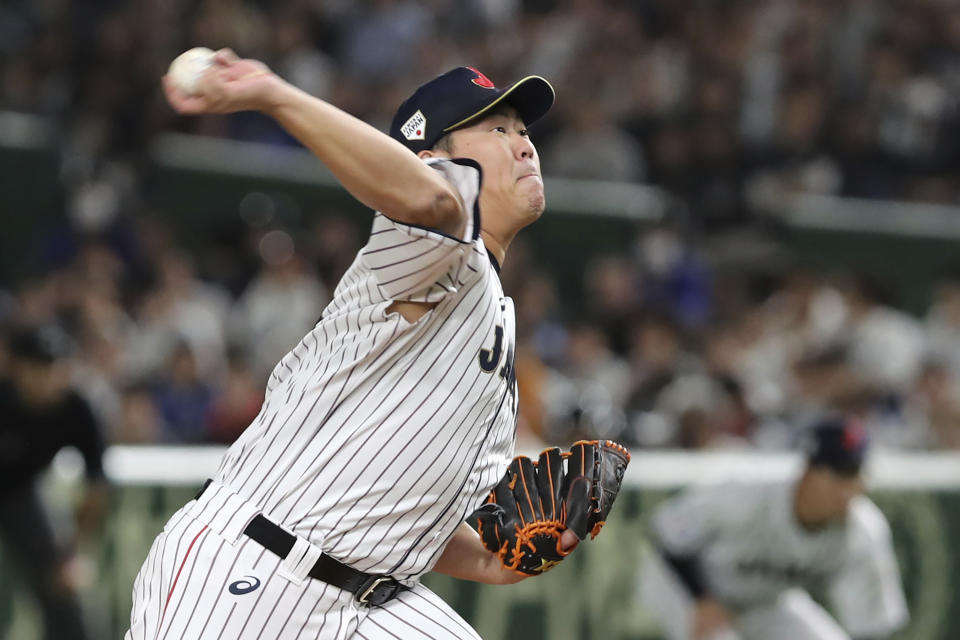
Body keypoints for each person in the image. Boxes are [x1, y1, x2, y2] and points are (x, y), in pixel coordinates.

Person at [126, 50, 574, 639]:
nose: (523, 144)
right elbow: (430, 201)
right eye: (496, 128)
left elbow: (390, 510)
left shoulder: (490, 311)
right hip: (253, 572)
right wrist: (274, 96)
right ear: (431, 158)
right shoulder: (439, 245)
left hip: (371, 597)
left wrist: (495, 559)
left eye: (522, 130)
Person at [638, 415, 908, 640]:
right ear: (808, 472)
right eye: (838, 475)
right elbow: (666, 532)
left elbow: (874, 625)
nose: (847, 489)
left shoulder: (864, 530)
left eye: (855, 476)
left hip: (764, 600)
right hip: (684, 587)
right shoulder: (745, 490)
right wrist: (702, 599)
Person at [0, 325, 109, 640]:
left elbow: (97, 486)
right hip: (22, 494)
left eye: (54, 367)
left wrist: (72, 554)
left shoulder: (76, 409)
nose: (47, 377)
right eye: (38, 367)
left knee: (64, 592)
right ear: (17, 367)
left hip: (21, 494)